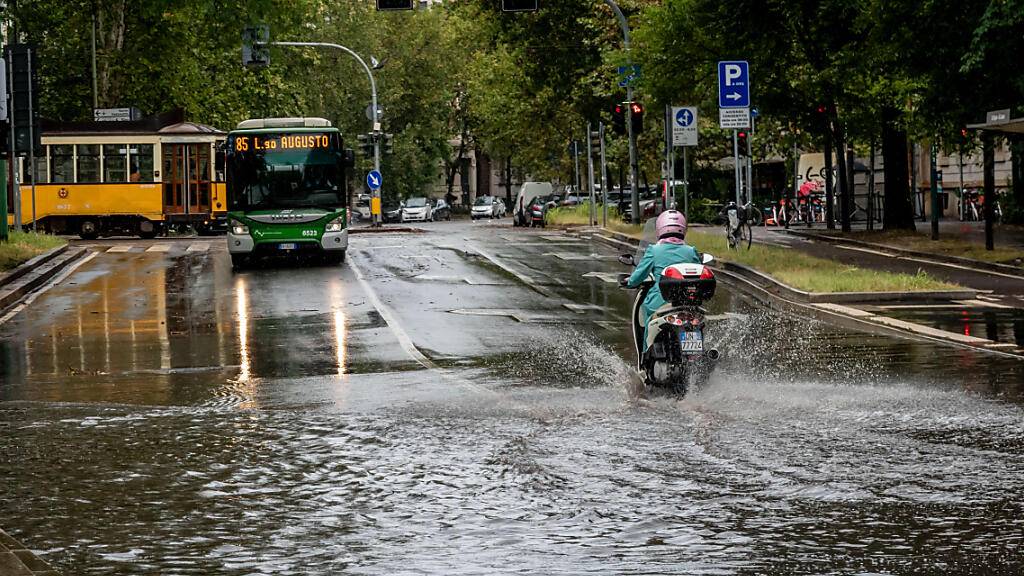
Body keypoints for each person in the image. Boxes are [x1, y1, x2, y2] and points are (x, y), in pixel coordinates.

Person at [620, 210, 701, 349]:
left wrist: (629, 282)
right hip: (689, 301)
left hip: (660, 301)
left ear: (660, 229)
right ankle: (695, 350)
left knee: (647, 319)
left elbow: (639, 275)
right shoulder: (691, 251)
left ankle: (647, 353)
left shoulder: (653, 250)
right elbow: (698, 271)